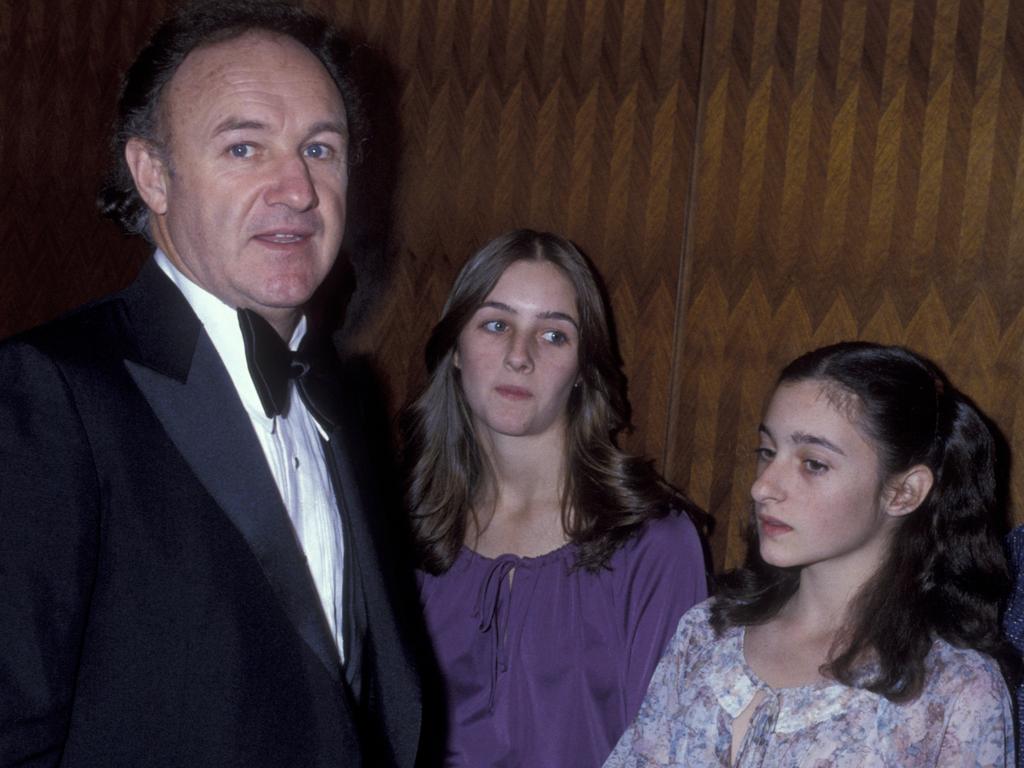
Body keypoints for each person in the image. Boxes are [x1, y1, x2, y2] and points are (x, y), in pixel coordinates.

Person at [0, 2, 422, 765]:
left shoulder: (343, 402)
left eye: (320, 148)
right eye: (243, 148)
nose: (297, 188)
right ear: (153, 175)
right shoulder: (48, 393)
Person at [605, 342, 1015, 767]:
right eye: (768, 452)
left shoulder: (957, 692)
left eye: (813, 463)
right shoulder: (707, 634)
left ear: (903, 492)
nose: (762, 487)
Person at [403, 229, 708, 767]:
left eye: (553, 336)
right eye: (496, 325)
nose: (519, 356)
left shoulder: (654, 544)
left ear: (583, 369)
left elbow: (671, 753)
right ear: (454, 350)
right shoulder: (402, 529)